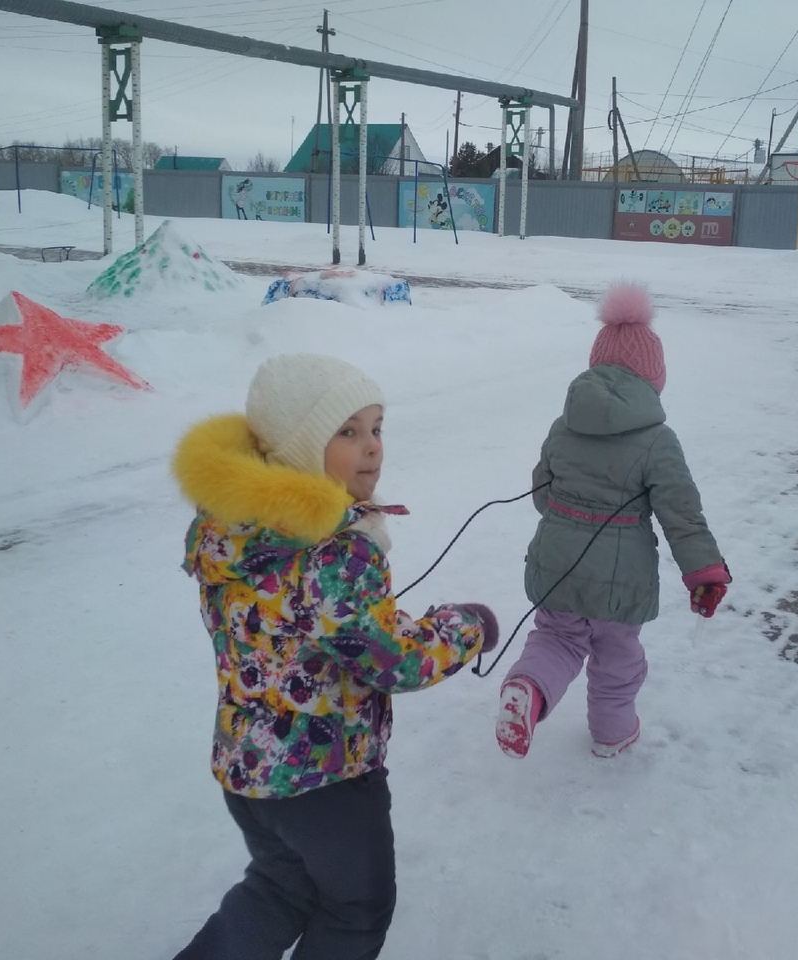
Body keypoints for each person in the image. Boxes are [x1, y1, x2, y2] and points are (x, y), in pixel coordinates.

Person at [171, 353, 498, 960]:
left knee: (279, 888)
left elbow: (314, 628)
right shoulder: (335, 555)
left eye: (376, 427)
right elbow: (392, 662)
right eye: (347, 431)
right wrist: (464, 627)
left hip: (249, 769)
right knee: (356, 911)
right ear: (298, 450)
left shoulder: (233, 531)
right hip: (325, 779)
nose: (372, 446)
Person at [496, 283, 730, 760]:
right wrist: (704, 572)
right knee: (617, 658)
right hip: (623, 583)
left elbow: (543, 493)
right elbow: (681, 513)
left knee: (557, 639)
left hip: (557, 565)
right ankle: (612, 733)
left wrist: (570, 517)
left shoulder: (564, 425)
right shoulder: (658, 440)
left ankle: (528, 689)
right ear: (653, 378)